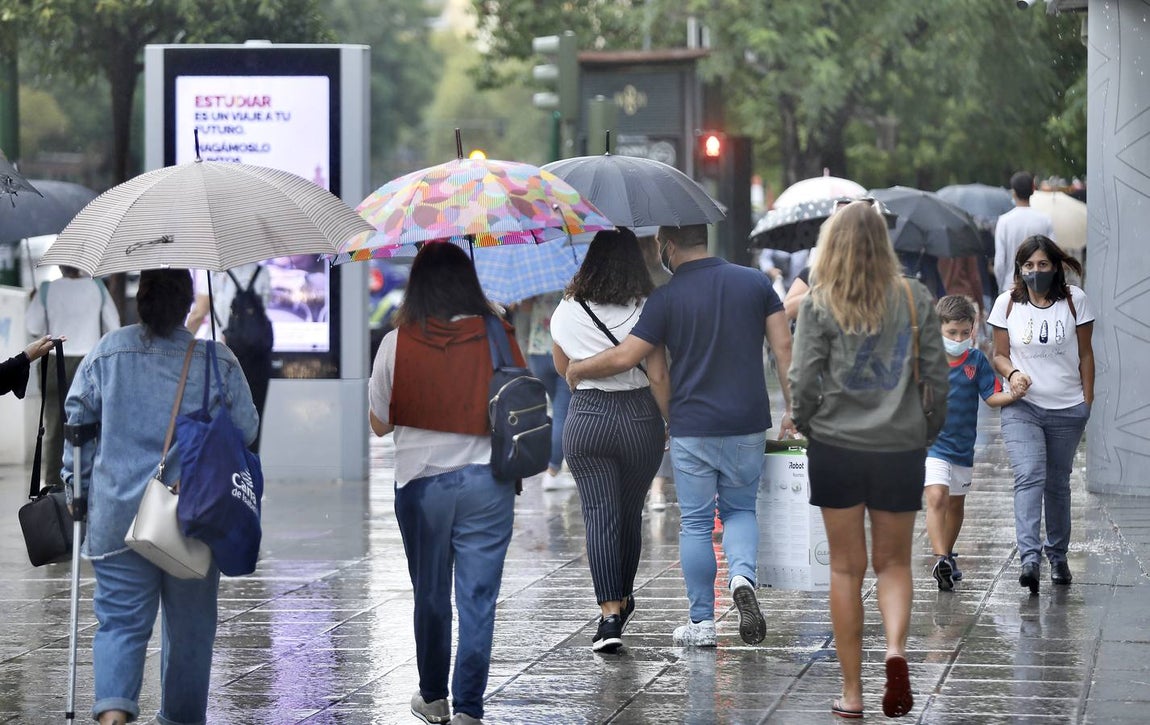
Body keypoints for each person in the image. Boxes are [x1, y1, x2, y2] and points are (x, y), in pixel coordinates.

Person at [566, 223, 796, 649]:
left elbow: (629, 356)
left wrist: (579, 369)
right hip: (747, 420)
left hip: (693, 424)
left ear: (668, 244)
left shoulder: (665, 298)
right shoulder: (756, 282)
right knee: (741, 509)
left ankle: (702, 623)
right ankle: (743, 577)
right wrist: (792, 409)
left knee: (694, 521)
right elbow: (783, 349)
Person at [61, 269, 259, 725]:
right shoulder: (217, 360)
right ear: (188, 303)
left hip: (116, 517)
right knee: (190, 633)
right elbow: (247, 431)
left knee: (119, 625)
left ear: (140, 300)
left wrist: (78, 492)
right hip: (191, 518)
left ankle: (112, 715)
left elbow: (77, 430)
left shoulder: (107, 353)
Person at [788, 201, 948, 719]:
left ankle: (853, 694)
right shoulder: (914, 295)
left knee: (845, 568)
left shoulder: (818, 303)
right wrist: (925, 432)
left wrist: (810, 426)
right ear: (883, 243)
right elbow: (936, 378)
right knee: (895, 563)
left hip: (836, 447)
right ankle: (896, 651)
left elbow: (802, 381)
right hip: (900, 447)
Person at [367, 242, 520, 725]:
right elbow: (520, 398)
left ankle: (433, 696)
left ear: (417, 287)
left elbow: (379, 424)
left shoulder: (396, 342)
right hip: (488, 483)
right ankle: (470, 708)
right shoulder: (497, 333)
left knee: (431, 594)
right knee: (478, 598)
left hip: (422, 484)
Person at [549, 229, 670, 653]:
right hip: (640, 417)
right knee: (629, 512)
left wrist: (586, 367)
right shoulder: (649, 307)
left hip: (588, 419)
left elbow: (564, 367)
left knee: (599, 514)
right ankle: (622, 594)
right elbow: (657, 374)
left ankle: (609, 615)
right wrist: (670, 421)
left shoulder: (566, 309)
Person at [988, 235, 1093, 594]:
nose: (1035, 271)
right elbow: (999, 355)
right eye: (1028, 266)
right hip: (1023, 407)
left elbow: (1086, 355)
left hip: (1067, 408)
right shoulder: (1007, 304)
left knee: (1057, 483)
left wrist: (1087, 402)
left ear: (1055, 266)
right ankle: (1029, 558)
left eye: (1043, 264)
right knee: (1030, 474)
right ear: (1020, 269)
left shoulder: (1075, 301)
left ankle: (1058, 556)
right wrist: (1013, 374)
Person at [925, 295, 1016, 591]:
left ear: (973, 329)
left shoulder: (976, 361)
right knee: (937, 497)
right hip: (932, 445)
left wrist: (1015, 394)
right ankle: (940, 558)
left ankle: (948, 556)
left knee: (955, 503)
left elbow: (991, 396)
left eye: (965, 333)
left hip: (963, 446)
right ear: (938, 328)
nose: (958, 338)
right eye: (952, 333)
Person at [25, 265, 121, 488]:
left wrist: (36, 299)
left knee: (54, 427)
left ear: (60, 265)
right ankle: (87, 480)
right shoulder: (97, 287)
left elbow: (32, 326)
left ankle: (52, 485)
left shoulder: (46, 289)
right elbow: (113, 326)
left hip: (53, 360)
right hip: (88, 362)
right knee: (90, 423)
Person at [186, 264, 272, 452]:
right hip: (256, 358)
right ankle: (248, 473)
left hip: (220, 355)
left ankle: (222, 472)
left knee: (216, 418)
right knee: (252, 419)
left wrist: (178, 341)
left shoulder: (213, 274)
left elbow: (199, 314)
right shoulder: (262, 273)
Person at [519, 291, 574, 490]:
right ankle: (552, 470)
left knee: (559, 411)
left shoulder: (534, 281)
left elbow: (524, 311)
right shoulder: (570, 279)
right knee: (561, 413)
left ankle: (554, 463)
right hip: (562, 352)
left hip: (537, 354)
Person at [994, 172, 1054, 295]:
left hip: (1011, 286)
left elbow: (1000, 262)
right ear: (1033, 190)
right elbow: (1053, 255)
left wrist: (1001, 286)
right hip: (1040, 286)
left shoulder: (1004, 221)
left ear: (1013, 192)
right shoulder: (1045, 220)